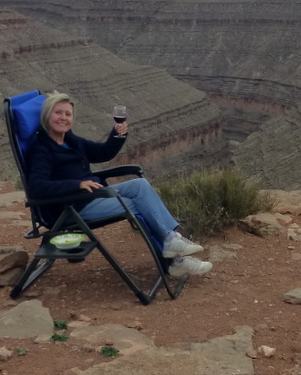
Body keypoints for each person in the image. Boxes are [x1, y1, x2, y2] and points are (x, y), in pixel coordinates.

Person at [25, 91, 212, 277]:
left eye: (68, 114)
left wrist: (117, 135)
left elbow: (102, 153)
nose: (63, 118)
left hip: (91, 196)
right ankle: (176, 260)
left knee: (140, 185)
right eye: (58, 112)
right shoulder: (41, 149)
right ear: (47, 115)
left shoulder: (71, 141)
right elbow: (36, 187)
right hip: (71, 208)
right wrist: (77, 184)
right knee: (136, 205)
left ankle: (171, 240)